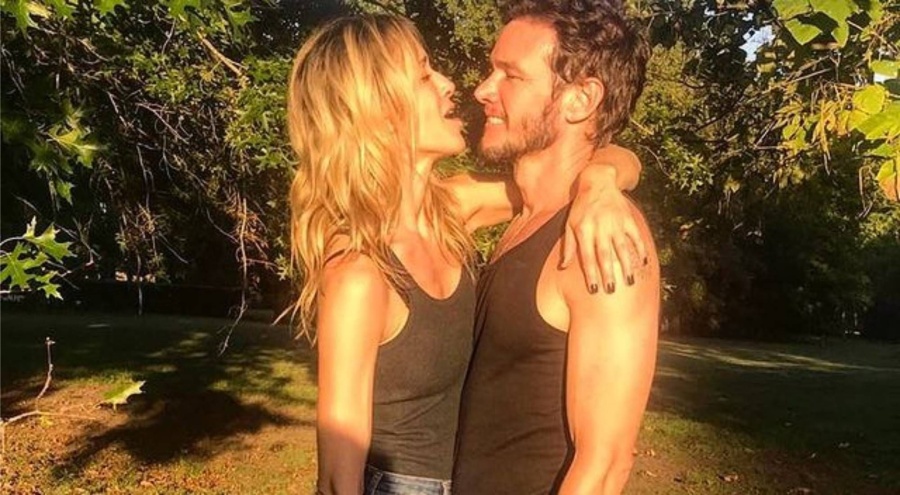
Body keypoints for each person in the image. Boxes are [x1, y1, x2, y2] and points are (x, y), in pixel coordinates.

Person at [286, 13, 644, 495]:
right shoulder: (359, 270)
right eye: (423, 76)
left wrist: (604, 179)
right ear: (379, 111)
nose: (452, 84)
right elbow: (336, 474)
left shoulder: (449, 210)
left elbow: (552, 184)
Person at [452, 1, 660, 494]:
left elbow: (604, 466)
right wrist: (605, 171)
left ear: (580, 99)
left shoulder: (605, 240)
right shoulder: (526, 212)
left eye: (511, 75)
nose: (483, 90)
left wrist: (604, 178)